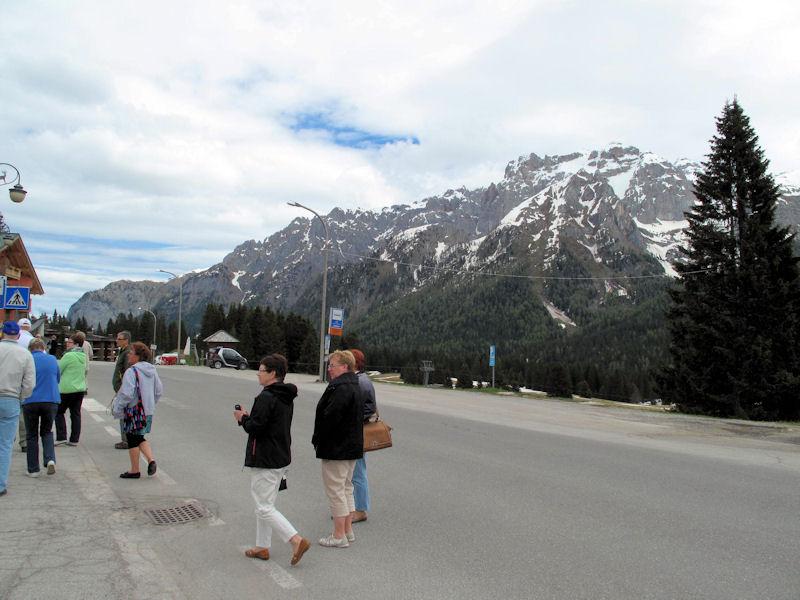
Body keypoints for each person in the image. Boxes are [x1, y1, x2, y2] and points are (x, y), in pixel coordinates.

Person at [233, 353, 310, 566]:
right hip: (280, 454)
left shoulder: (266, 397)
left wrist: (243, 418)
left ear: (273, 373)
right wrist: (249, 418)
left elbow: (256, 427)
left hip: (265, 457)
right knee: (266, 503)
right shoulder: (285, 395)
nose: (258, 373)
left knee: (263, 507)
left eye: (261, 370)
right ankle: (262, 546)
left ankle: (296, 540)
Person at [311, 350, 364, 548]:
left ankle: (338, 535)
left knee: (335, 491)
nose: (329, 369)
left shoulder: (340, 388)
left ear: (344, 366)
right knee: (346, 488)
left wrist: (319, 438)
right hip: (351, 446)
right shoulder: (354, 385)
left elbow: (330, 418)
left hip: (337, 447)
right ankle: (348, 531)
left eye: (332, 365)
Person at [112, 342, 161, 479]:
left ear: (138, 356)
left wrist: (118, 407)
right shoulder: (152, 371)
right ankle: (151, 460)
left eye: (131, 352)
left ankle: (135, 470)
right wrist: (150, 403)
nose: (128, 354)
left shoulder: (131, 371)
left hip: (134, 410)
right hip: (147, 410)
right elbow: (159, 391)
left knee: (132, 438)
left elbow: (127, 394)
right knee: (139, 437)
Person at [0, 321, 35, 497]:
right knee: (5, 444)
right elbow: (29, 384)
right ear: (19, 336)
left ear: (2, 333)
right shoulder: (25, 354)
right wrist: (21, 397)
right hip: (11, 398)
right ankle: (0, 485)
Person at [22, 339, 60, 476]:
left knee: (32, 435)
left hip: (30, 400)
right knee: (47, 431)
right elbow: (58, 378)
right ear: (44, 348)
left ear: (30, 349)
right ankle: (50, 459)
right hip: (50, 399)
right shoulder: (52, 359)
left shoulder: (27, 359)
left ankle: (33, 469)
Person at [349, 349, 376, 523]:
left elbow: (368, 409)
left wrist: (350, 420)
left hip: (357, 432)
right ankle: (353, 507)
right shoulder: (360, 379)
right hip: (356, 431)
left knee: (357, 472)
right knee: (354, 471)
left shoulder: (360, 382)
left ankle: (360, 509)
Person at [56, 334, 88, 446]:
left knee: (59, 412)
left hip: (66, 388)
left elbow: (59, 370)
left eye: (70, 342)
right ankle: (74, 439)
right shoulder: (83, 356)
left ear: (76, 344)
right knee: (75, 414)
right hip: (79, 388)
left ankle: (61, 436)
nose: (67, 344)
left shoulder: (68, 355)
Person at [15, 318, 34, 452]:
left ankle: (7, 438)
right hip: (25, 380)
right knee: (23, 413)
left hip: (7, 381)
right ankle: (24, 442)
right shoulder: (33, 341)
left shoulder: (9, 341)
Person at [112, 331, 132, 449]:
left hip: (124, 389)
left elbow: (127, 371)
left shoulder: (127, 352)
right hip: (121, 388)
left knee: (123, 414)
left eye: (119, 339)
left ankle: (126, 440)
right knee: (123, 413)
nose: (117, 340)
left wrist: (122, 388)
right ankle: (126, 439)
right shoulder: (122, 351)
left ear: (126, 340)